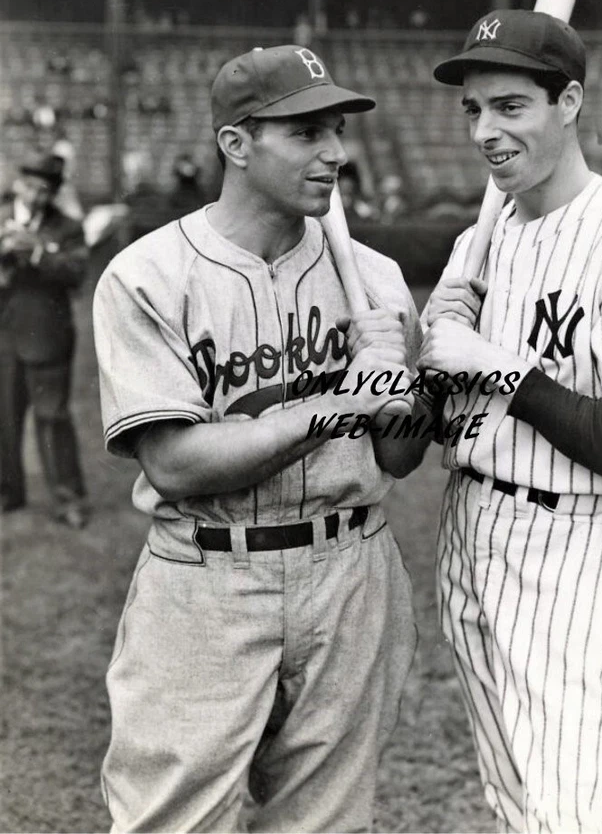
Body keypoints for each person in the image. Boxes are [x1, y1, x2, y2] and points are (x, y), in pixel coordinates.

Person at [92, 44, 425, 833]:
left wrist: (398, 385)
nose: (336, 154)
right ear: (236, 144)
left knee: (327, 821)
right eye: (306, 133)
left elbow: (402, 456)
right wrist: (342, 400)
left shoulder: (372, 279)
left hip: (352, 567)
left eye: (337, 130)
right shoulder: (147, 276)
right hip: (209, 573)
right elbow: (175, 464)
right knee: (172, 820)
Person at [418, 10, 602, 833]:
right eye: (474, 111)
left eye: (510, 106)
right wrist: (434, 349)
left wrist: (499, 367)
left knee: (577, 816)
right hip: (471, 529)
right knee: (516, 805)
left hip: (576, 550)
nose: (485, 131)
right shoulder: (483, 242)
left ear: (569, 102)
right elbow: (439, 419)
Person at [0, 152, 89, 526]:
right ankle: (8, 494)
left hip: (47, 335)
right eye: (32, 187)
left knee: (52, 417)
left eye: (46, 190)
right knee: (3, 418)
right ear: (18, 183)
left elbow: (77, 273)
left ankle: (68, 499)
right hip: (3, 335)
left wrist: (35, 251)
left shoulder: (67, 226)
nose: (37, 196)